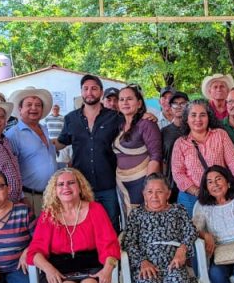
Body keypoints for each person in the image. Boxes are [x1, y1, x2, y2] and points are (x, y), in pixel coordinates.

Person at [57, 74, 123, 231]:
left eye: (94, 88)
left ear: (101, 92)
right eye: (85, 89)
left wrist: (146, 116)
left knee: (111, 225)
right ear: (81, 92)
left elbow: (133, 127)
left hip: (109, 184)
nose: (89, 92)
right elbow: (60, 142)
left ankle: (112, 256)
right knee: (85, 228)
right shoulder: (70, 119)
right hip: (82, 186)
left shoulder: (115, 117)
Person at [171, 99, 234, 213]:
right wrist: (198, 192)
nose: (198, 119)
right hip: (191, 199)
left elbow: (233, 162)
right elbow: (178, 173)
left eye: (202, 115)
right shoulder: (180, 143)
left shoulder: (220, 135)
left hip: (220, 195)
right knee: (195, 230)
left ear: (209, 117)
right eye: (193, 115)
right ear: (187, 119)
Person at [5, 87, 58, 216]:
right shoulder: (13, 135)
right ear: (20, 109)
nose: (34, 108)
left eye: (38, 105)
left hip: (52, 195)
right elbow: (10, 169)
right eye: (29, 105)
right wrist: (21, 197)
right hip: (30, 197)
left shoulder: (44, 128)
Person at [112, 85, 163, 215]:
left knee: (145, 219)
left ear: (139, 103)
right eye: (122, 99)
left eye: (129, 99)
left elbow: (156, 156)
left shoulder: (147, 123)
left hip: (141, 182)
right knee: (130, 220)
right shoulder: (121, 125)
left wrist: (149, 187)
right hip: (122, 182)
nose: (125, 102)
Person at [161, 92, 189, 202]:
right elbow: (161, 160)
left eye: (182, 104)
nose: (178, 107)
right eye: (175, 104)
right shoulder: (164, 132)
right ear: (170, 108)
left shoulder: (194, 129)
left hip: (191, 183)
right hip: (171, 183)